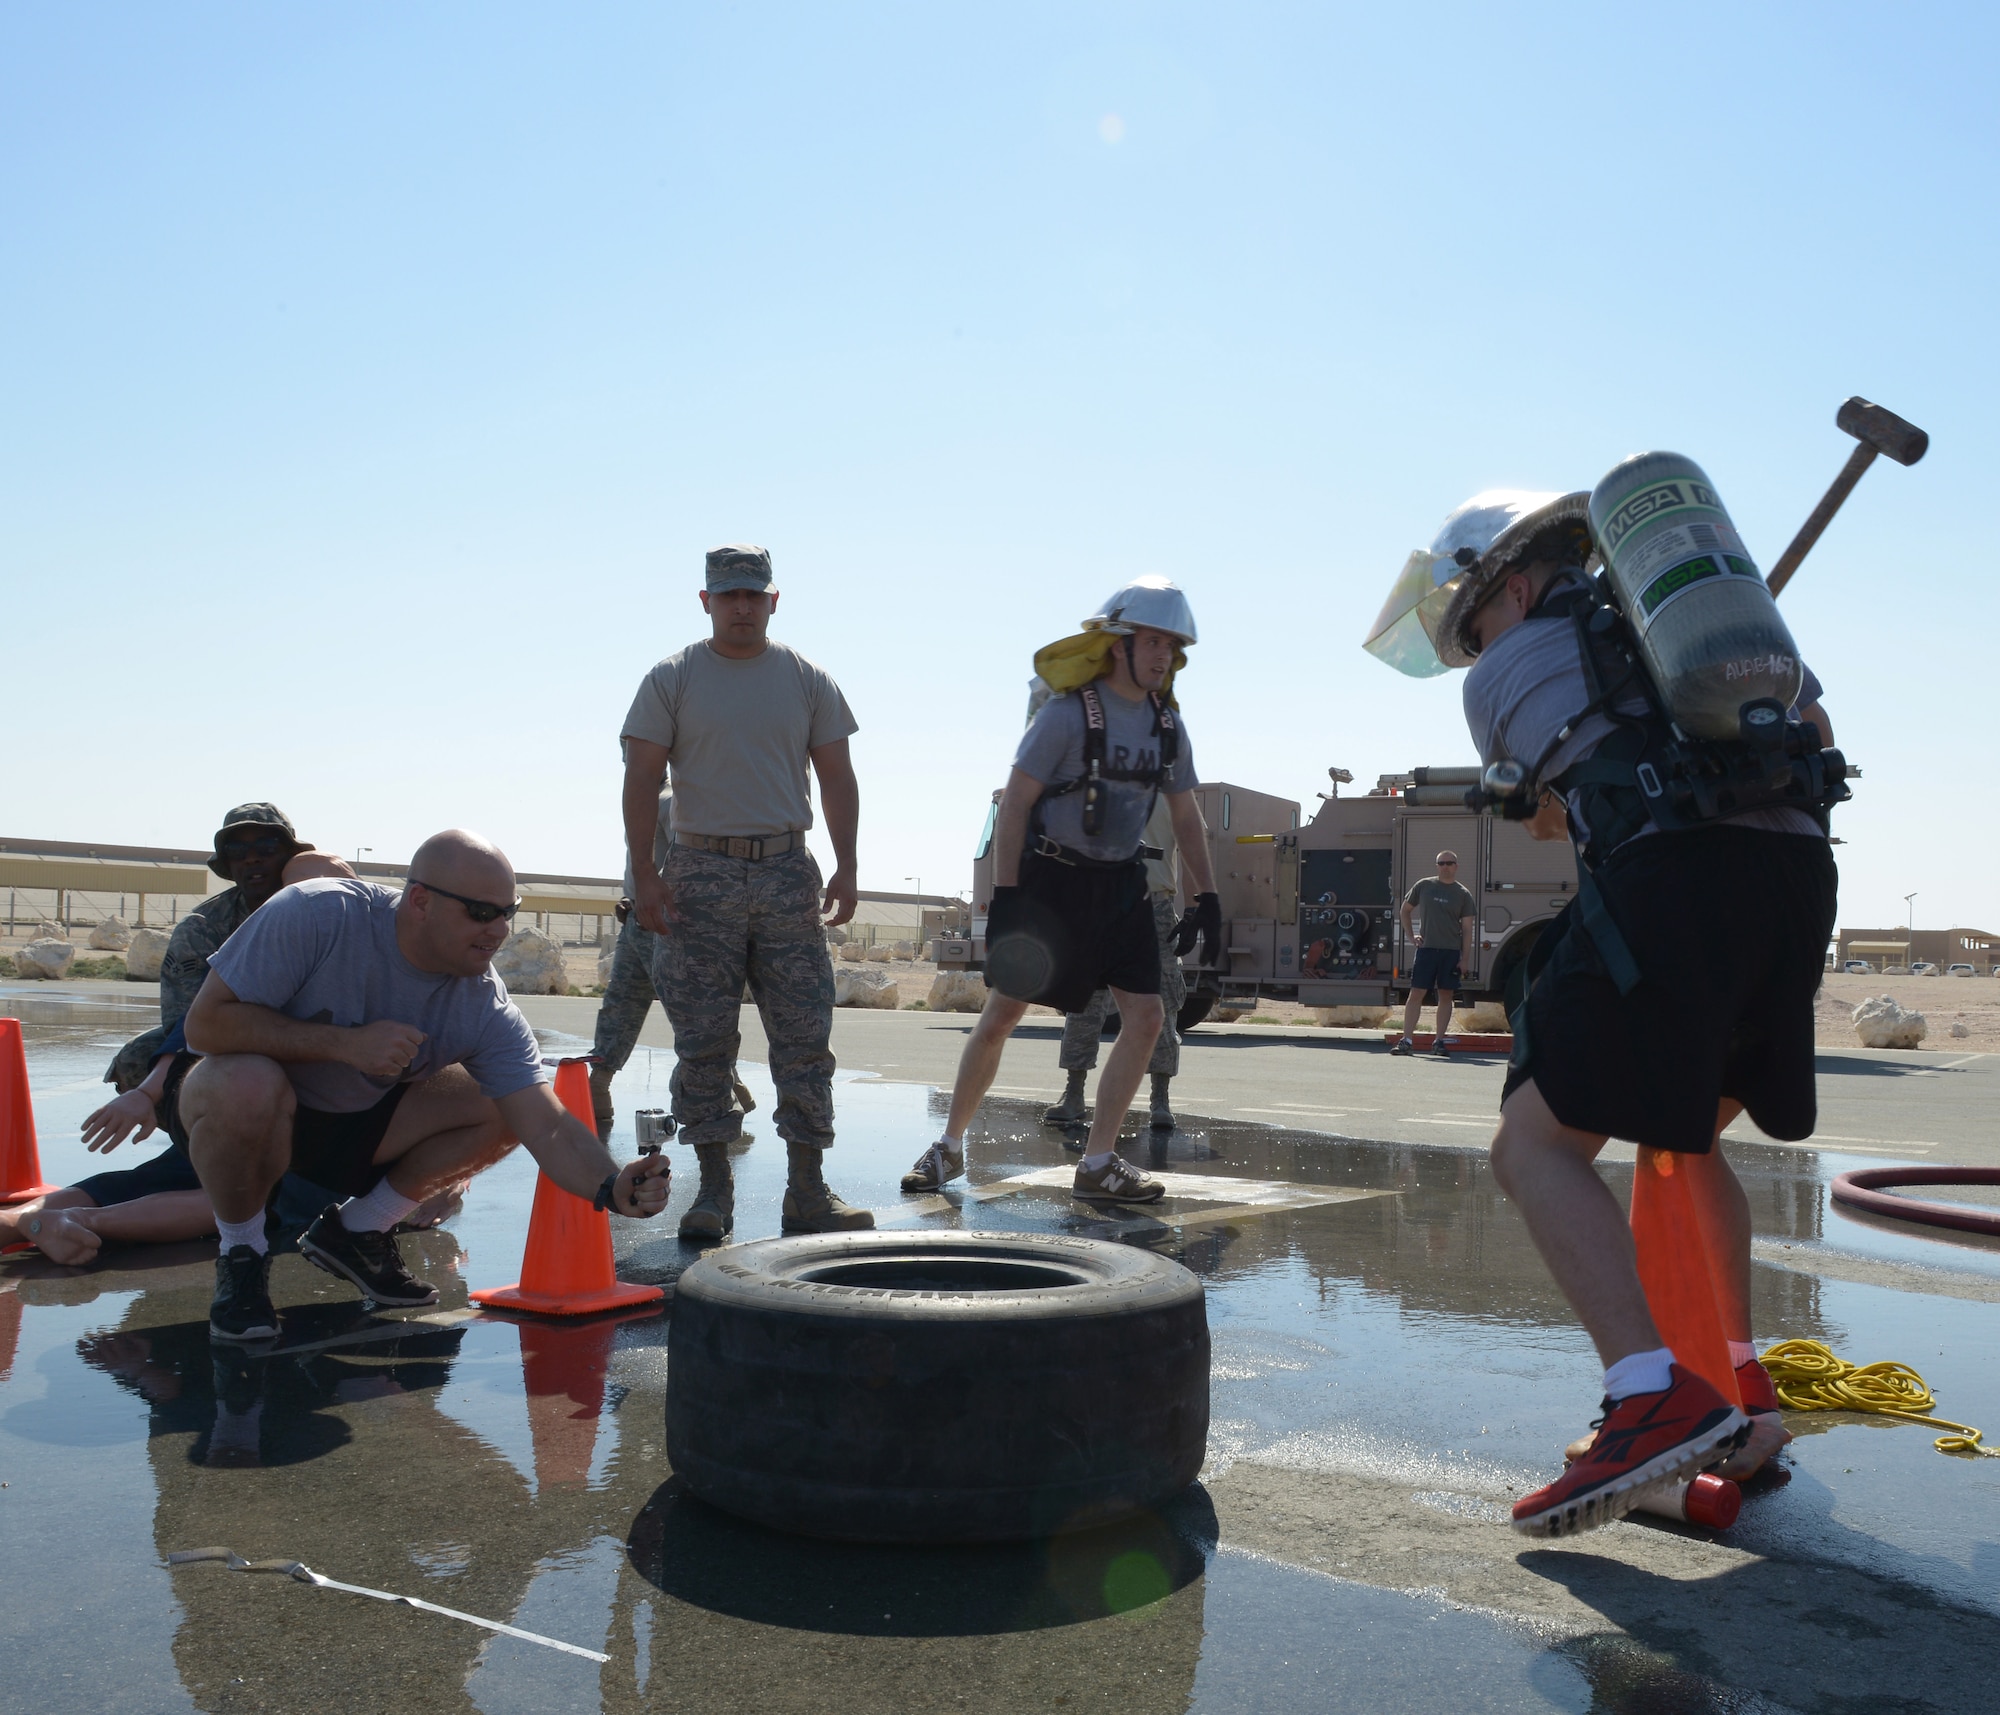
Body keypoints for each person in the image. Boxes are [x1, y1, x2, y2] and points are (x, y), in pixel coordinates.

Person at [1404, 487, 1833, 1534]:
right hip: (1795, 877)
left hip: (1679, 880)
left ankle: (1646, 1396)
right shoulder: (1714, 629)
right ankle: (1737, 1402)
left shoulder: (1507, 672)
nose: (1476, 650)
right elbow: (1812, 728)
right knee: (1680, 1143)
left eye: (1474, 624)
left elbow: (1557, 814)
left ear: (1509, 585)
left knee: (1531, 1144)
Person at [179, 829, 671, 1341]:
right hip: (244, 1108)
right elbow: (205, 1026)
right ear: (420, 901)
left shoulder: (482, 1004)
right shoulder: (318, 914)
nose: (499, 929)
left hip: (348, 1130)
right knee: (246, 1081)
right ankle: (242, 1255)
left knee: (502, 1100)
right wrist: (343, 1044)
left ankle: (358, 1231)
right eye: (481, 913)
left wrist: (612, 1188)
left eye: (510, 911)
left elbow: (546, 1123)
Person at [903, 577, 1221, 1203]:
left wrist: (1206, 896)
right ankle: (947, 1148)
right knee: (1001, 1017)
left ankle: (1098, 1162)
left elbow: (1186, 817)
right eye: (1151, 641)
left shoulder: (1168, 727)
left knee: (1149, 1016)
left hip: (1122, 885)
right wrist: (1007, 899)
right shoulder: (1066, 714)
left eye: (1172, 645)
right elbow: (1017, 802)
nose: (1163, 655)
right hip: (1054, 884)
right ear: (1117, 645)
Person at [620, 543, 869, 1241]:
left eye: (752, 594)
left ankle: (808, 1191)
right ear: (705, 600)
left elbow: (838, 777)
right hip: (700, 873)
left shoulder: (806, 678)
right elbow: (641, 779)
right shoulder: (672, 678)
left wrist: (848, 865)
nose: (740, 605)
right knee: (703, 1041)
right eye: (727, 594)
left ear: (773, 600)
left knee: (803, 1035)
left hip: (788, 870)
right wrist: (646, 871)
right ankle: (715, 1191)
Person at [0, 809, 357, 1266]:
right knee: (256, 1196)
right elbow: (194, 1029)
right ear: (224, 864)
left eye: (267, 849)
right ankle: (54, 1219)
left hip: (303, 1092)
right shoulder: (205, 928)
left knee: (187, 1179)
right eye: (237, 850)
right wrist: (148, 1093)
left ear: (290, 858)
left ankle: (22, 1222)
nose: (253, 860)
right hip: (229, 1080)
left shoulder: (339, 926)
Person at [587, 787, 755, 1145]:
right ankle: (598, 1086)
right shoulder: (643, 802)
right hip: (636, 919)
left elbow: (686, 856)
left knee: (690, 1019)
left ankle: (726, 1090)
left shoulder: (667, 800)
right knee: (621, 1005)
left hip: (660, 922)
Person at [1042, 793, 1190, 1133]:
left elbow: (1193, 846)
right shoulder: (1096, 788)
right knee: (1084, 1003)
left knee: (1163, 1004)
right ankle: (1074, 1094)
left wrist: (1198, 906)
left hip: (1155, 905)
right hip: (1100, 901)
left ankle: (1160, 1100)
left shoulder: (1171, 796)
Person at [1389, 849, 1476, 1057]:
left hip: (1450, 952)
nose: (1445, 866)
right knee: (1416, 993)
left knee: (1446, 995)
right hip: (1427, 950)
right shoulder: (1424, 886)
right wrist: (1411, 936)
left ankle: (1439, 1042)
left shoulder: (1463, 894)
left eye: (1449, 863)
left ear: (1456, 866)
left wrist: (1464, 959)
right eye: (1441, 863)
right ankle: (1407, 1041)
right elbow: (1405, 910)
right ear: (1436, 866)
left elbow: (1467, 929)